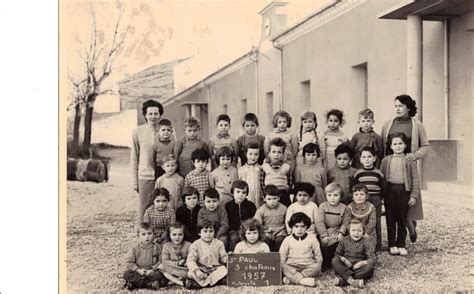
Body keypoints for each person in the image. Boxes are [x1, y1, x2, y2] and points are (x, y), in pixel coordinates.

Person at [381, 94, 431, 242]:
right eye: (395, 105)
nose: (397, 108)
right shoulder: (387, 124)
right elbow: (383, 146)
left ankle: (409, 226)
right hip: (390, 167)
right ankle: (406, 228)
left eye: (401, 106)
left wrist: (415, 155)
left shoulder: (417, 125)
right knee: (392, 203)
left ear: (408, 107)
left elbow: (426, 146)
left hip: (407, 166)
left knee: (408, 201)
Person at [380, 132, 420, 256]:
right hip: (389, 191)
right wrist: (381, 195)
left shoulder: (409, 160)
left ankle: (401, 244)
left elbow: (415, 178)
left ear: (405, 145)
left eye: (400, 143)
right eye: (395, 144)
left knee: (402, 219)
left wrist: (413, 195)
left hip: (404, 191)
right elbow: (381, 178)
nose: (397, 146)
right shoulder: (386, 160)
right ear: (391, 146)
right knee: (390, 219)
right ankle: (392, 245)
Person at [131, 99, 164, 222]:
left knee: (163, 206)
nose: (153, 116)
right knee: (145, 208)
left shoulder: (168, 131)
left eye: (156, 113)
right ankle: (144, 236)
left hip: (164, 175)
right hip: (146, 176)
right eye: (150, 114)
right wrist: (135, 181)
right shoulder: (137, 132)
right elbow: (134, 157)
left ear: (160, 114)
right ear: (145, 115)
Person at [353, 147, 386, 251]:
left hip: (375, 199)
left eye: (369, 156)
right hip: (362, 201)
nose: (366, 159)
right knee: (362, 222)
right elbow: (354, 188)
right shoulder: (358, 173)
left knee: (376, 222)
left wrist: (380, 199)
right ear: (360, 160)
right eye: (364, 157)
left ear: (374, 158)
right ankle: (361, 245)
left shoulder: (378, 173)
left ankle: (378, 246)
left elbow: (384, 188)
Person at [279, 212, 322, 287]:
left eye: (302, 226)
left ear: (307, 227)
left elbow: (318, 255)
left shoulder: (312, 239)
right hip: (292, 266)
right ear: (292, 227)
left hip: (307, 266)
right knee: (283, 267)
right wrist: (282, 265)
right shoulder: (287, 240)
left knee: (317, 267)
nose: (299, 229)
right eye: (296, 226)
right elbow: (281, 256)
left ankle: (293, 280)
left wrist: (318, 266)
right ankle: (303, 280)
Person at [332, 219, 376, 288]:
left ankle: (344, 280)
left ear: (363, 231)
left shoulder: (366, 241)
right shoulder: (344, 240)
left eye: (359, 230)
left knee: (370, 267)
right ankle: (352, 281)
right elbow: (337, 253)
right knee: (335, 260)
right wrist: (344, 260)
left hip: (359, 267)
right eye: (353, 230)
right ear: (349, 230)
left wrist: (361, 263)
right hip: (346, 265)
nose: (356, 233)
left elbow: (373, 258)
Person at [123, 222, 166, 290]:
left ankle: (135, 284)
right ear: (138, 236)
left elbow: (161, 260)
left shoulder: (158, 247)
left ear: (154, 234)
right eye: (143, 234)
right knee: (127, 274)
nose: (147, 236)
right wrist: (137, 269)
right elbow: (129, 262)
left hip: (152, 271)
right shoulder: (135, 248)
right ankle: (149, 284)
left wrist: (153, 269)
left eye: (149, 233)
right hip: (139, 271)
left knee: (161, 274)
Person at [186, 219, 228, 289]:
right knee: (190, 273)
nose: (208, 234)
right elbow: (190, 260)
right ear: (199, 233)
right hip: (202, 269)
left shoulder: (219, 243)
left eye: (211, 231)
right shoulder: (195, 244)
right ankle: (217, 282)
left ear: (215, 232)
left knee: (224, 270)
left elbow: (223, 258)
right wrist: (197, 271)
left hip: (215, 269)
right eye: (205, 231)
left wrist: (227, 258)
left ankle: (200, 284)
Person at [316, 183, 347, 272]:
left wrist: (341, 233)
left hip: (337, 231)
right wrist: (323, 235)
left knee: (339, 245)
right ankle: (325, 262)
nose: (332, 198)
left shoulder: (344, 207)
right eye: (329, 195)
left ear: (340, 196)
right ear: (326, 196)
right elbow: (320, 222)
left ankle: (336, 263)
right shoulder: (323, 206)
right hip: (326, 230)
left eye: (335, 195)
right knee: (324, 245)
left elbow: (345, 223)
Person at [254, 185, 287, 252]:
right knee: (265, 241)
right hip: (267, 232)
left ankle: (278, 258)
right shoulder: (261, 210)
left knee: (280, 241)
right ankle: (268, 259)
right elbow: (257, 224)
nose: (272, 201)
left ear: (279, 198)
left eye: (274, 198)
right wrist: (264, 232)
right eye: (269, 199)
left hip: (280, 232)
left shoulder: (284, 209)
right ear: (264, 198)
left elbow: (287, 222)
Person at [225, 180, 257, 251]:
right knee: (235, 239)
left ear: (246, 194)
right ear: (233, 192)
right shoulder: (228, 205)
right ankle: (232, 258)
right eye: (238, 192)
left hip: (248, 230)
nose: (241, 194)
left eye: (243, 192)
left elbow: (254, 220)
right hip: (234, 230)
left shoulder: (250, 205)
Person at [158, 221, 192, 286]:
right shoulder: (166, 246)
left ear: (184, 234)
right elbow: (165, 261)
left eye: (180, 234)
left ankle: (174, 280)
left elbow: (192, 258)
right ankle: (180, 282)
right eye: (174, 235)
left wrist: (185, 262)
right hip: (172, 269)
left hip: (184, 270)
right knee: (161, 267)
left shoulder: (189, 245)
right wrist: (177, 263)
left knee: (192, 271)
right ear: (169, 235)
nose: (177, 237)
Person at [261, 137, 292, 207]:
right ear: (269, 153)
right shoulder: (265, 167)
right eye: (273, 152)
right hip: (270, 194)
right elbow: (262, 183)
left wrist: (286, 190)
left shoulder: (286, 167)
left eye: (279, 152)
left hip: (283, 195)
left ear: (283, 153)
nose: (276, 155)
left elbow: (290, 182)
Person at [238, 142, 264, 208]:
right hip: (246, 200)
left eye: (256, 154)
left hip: (259, 200)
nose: (253, 157)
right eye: (250, 154)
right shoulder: (241, 170)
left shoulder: (261, 169)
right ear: (246, 154)